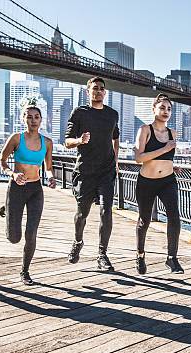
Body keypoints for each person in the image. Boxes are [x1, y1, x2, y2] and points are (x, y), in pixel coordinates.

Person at [64, 77, 119, 271]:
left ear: (105, 93)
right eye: (94, 88)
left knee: (106, 211)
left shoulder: (113, 114)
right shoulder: (79, 113)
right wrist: (79, 140)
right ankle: (78, 242)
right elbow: (67, 141)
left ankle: (102, 255)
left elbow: (115, 138)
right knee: (82, 213)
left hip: (106, 171)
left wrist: (116, 161)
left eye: (102, 89)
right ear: (88, 91)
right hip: (86, 171)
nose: (98, 91)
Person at [0, 104, 55, 285]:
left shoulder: (47, 143)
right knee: (14, 238)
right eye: (29, 117)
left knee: (31, 233)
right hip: (16, 188)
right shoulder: (16, 139)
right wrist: (12, 174)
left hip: (35, 190)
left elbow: (49, 167)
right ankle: (8, 210)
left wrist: (52, 177)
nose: (33, 120)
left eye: (36, 117)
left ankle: (25, 271)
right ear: (23, 119)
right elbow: (2, 160)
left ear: (40, 119)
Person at [133, 93, 183, 274]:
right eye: (162, 108)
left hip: (168, 180)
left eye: (169, 109)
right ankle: (140, 255)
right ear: (153, 109)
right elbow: (139, 158)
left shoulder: (172, 133)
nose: (166, 111)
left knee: (174, 217)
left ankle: (172, 258)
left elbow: (165, 157)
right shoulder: (145, 130)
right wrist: (165, 149)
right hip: (147, 182)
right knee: (144, 220)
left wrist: (170, 164)